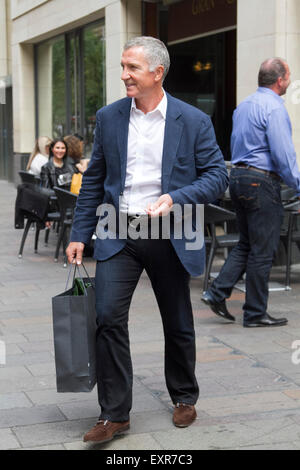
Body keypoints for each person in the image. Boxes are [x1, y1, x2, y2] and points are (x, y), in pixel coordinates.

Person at [66, 36, 228, 444]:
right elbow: (94, 182)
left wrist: (176, 196)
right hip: (119, 230)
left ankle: (184, 397)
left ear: (158, 73)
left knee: (176, 321)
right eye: (123, 67)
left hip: (170, 231)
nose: (124, 76)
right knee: (106, 317)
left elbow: (217, 177)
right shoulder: (110, 117)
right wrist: (79, 234)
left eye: (132, 68)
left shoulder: (193, 120)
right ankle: (115, 413)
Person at [202, 57, 300, 328]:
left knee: (247, 244)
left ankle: (217, 291)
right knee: (262, 251)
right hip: (262, 182)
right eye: (289, 76)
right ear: (280, 80)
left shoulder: (243, 106)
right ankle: (255, 313)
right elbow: (283, 155)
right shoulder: (274, 108)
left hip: (239, 178)